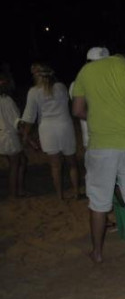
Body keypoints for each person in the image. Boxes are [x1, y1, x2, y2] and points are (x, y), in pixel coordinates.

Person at [71, 46, 125, 263]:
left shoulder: (87, 71)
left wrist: (98, 118)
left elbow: (77, 110)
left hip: (101, 144)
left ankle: (97, 253)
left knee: (99, 202)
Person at [22, 62, 80, 200]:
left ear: (37, 75)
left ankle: (60, 196)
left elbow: (29, 117)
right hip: (65, 126)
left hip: (48, 130)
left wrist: (25, 134)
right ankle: (76, 192)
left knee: (55, 166)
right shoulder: (61, 87)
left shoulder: (34, 92)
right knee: (72, 163)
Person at [69, 47, 111, 150]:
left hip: (114, 137)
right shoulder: (78, 84)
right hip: (93, 139)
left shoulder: (110, 81)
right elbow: (79, 111)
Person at [0, 72, 27, 198]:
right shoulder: (6, 100)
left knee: (20, 161)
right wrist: (28, 137)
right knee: (15, 166)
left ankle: (19, 190)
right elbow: (16, 122)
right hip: (8, 137)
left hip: (3, 136)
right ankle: (13, 194)